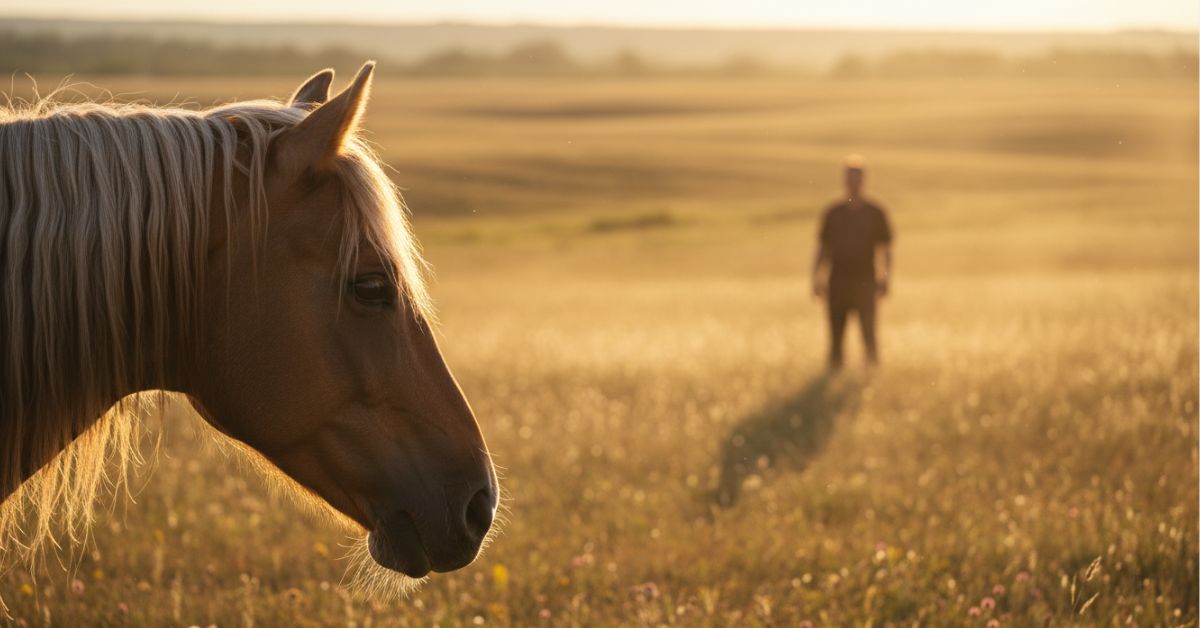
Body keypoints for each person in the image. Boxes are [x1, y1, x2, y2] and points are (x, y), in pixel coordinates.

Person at [811, 154, 893, 370]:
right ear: (844, 181)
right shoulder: (833, 213)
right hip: (837, 281)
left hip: (865, 281)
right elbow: (822, 248)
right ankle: (834, 376)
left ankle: (871, 378)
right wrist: (816, 277)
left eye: (857, 178)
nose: (853, 183)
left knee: (869, 335)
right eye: (850, 178)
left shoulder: (875, 213)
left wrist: (885, 277)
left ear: (864, 180)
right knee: (836, 337)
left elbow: (885, 249)